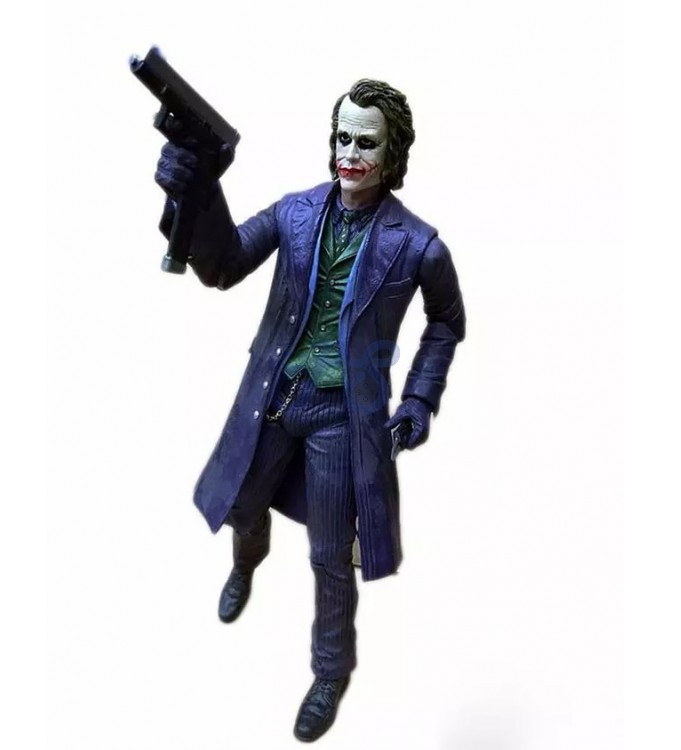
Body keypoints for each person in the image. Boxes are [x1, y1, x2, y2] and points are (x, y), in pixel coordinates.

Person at [154, 78, 466, 742]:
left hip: (342, 417)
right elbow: (223, 263)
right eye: (342, 137)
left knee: (330, 552)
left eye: (366, 142)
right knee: (242, 500)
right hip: (275, 393)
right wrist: (198, 188)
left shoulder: (418, 244)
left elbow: (447, 322)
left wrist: (418, 399)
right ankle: (248, 559)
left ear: (392, 152)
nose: (350, 153)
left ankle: (330, 671)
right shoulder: (296, 212)